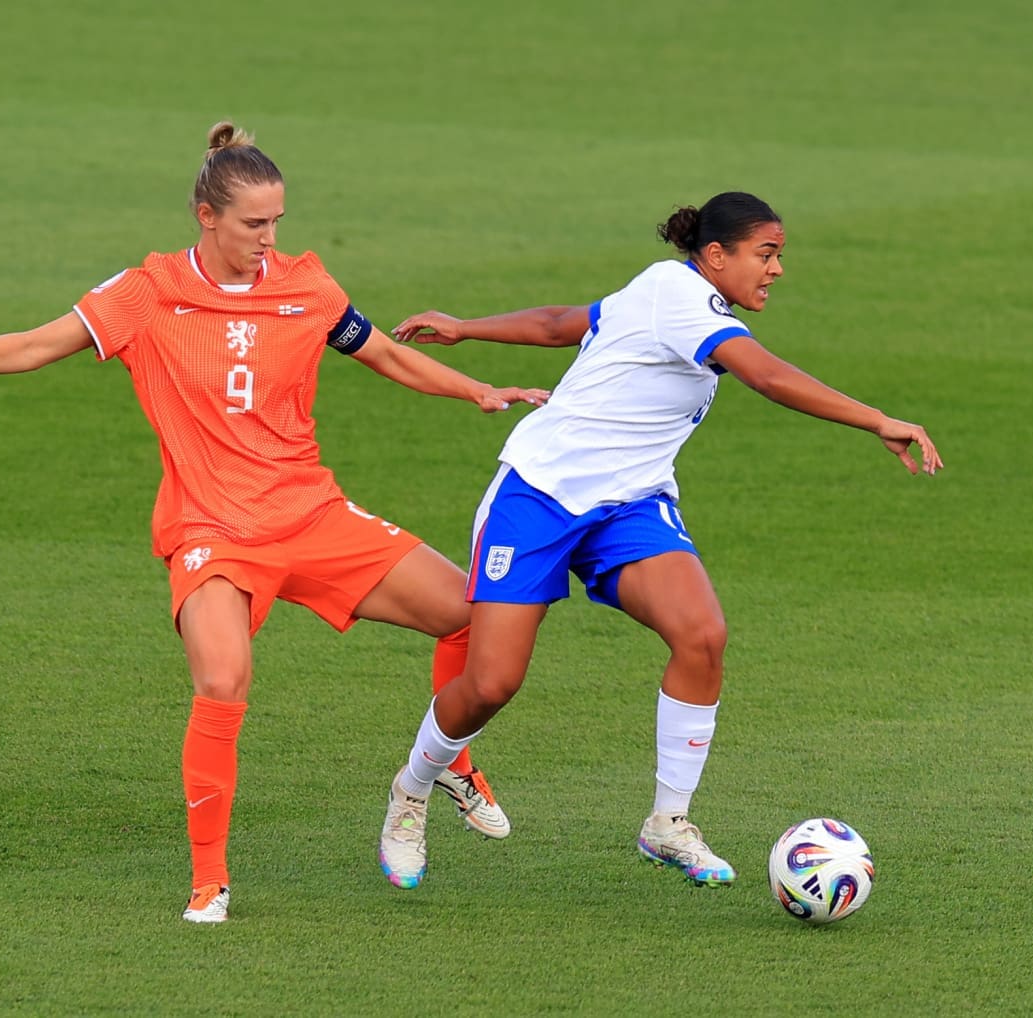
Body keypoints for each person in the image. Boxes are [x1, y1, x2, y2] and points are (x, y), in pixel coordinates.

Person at [0, 121, 549, 923]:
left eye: (278, 221)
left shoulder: (308, 288)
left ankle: (443, 765)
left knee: (474, 614)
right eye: (255, 223)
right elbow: (36, 346)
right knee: (222, 682)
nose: (270, 238)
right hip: (211, 529)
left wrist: (479, 391)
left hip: (310, 514)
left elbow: (387, 353)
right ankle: (210, 881)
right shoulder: (146, 293)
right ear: (206, 215)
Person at [376, 191, 943, 890]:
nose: (776, 270)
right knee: (491, 683)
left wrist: (466, 326)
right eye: (766, 255)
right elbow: (765, 376)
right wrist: (878, 419)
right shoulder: (681, 298)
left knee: (702, 635)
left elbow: (566, 322)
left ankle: (667, 823)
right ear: (716, 256)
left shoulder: (664, 290)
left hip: (632, 505)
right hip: (540, 495)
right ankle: (412, 788)